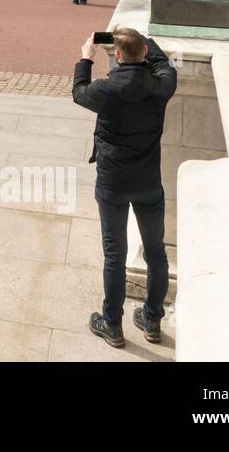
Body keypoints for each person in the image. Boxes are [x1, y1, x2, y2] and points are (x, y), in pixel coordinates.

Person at [73, 27, 178, 348]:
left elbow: (78, 91)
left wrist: (85, 58)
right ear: (143, 52)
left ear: (116, 55)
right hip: (148, 181)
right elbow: (166, 65)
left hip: (113, 181)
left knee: (115, 255)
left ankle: (113, 323)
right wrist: (145, 41)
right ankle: (152, 319)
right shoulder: (161, 86)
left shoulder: (106, 89)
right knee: (156, 252)